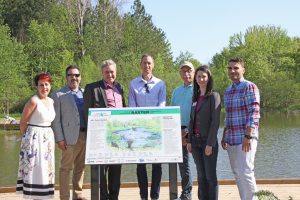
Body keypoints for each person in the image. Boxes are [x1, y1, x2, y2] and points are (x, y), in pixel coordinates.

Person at [83, 60, 126, 200]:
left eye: (112, 71)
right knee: (100, 172)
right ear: (102, 72)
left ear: (116, 72)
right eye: (106, 72)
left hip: (118, 137)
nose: (110, 74)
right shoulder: (92, 88)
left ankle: (114, 197)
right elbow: (86, 113)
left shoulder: (120, 88)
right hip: (100, 137)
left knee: (115, 172)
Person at [221, 57, 260, 200]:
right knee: (237, 172)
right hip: (231, 137)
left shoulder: (249, 87)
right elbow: (228, 116)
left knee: (246, 171)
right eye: (230, 68)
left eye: (236, 68)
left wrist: (249, 136)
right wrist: (224, 135)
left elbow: (254, 113)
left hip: (245, 137)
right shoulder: (228, 91)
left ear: (243, 70)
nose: (232, 71)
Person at [128, 54, 166, 200]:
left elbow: (161, 105)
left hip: (155, 129)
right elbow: (132, 106)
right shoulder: (133, 84)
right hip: (138, 130)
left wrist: (151, 123)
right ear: (140, 65)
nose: (147, 66)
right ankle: (143, 196)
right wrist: (140, 124)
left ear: (153, 65)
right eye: (144, 63)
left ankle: (155, 196)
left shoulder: (160, 84)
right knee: (140, 165)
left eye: (149, 63)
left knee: (157, 165)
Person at [16, 73, 56, 199]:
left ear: (50, 86)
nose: (44, 87)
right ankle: (34, 196)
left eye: (46, 84)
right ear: (36, 87)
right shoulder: (34, 101)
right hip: (34, 139)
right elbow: (23, 122)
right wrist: (28, 141)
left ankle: (43, 196)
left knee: (45, 169)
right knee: (36, 168)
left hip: (47, 139)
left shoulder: (51, 101)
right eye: (41, 85)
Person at [51, 65, 87, 200]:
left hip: (85, 136)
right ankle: (64, 197)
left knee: (80, 168)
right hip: (68, 137)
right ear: (66, 77)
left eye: (76, 75)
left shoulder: (85, 92)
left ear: (80, 77)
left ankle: (78, 195)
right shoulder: (58, 94)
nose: (74, 77)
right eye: (71, 75)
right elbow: (55, 119)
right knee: (65, 169)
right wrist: (59, 138)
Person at [187, 66, 221, 200]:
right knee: (201, 177)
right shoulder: (195, 97)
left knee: (210, 177)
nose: (201, 79)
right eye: (199, 77)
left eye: (204, 77)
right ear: (195, 78)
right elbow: (191, 120)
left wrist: (210, 144)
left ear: (208, 78)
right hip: (195, 142)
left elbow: (215, 122)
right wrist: (189, 140)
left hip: (207, 142)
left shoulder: (214, 96)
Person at [170, 61, 195, 200]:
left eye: (189, 71)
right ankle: (186, 194)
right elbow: (172, 113)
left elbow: (199, 115)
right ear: (180, 74)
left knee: (200, 164)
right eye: (183, 71)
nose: (186, 74)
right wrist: (179, 134)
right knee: (183, 165)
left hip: (193, 130)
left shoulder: (198, 89)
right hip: (179, 131)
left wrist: (186, 131)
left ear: (194, 72)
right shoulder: (176, 91)